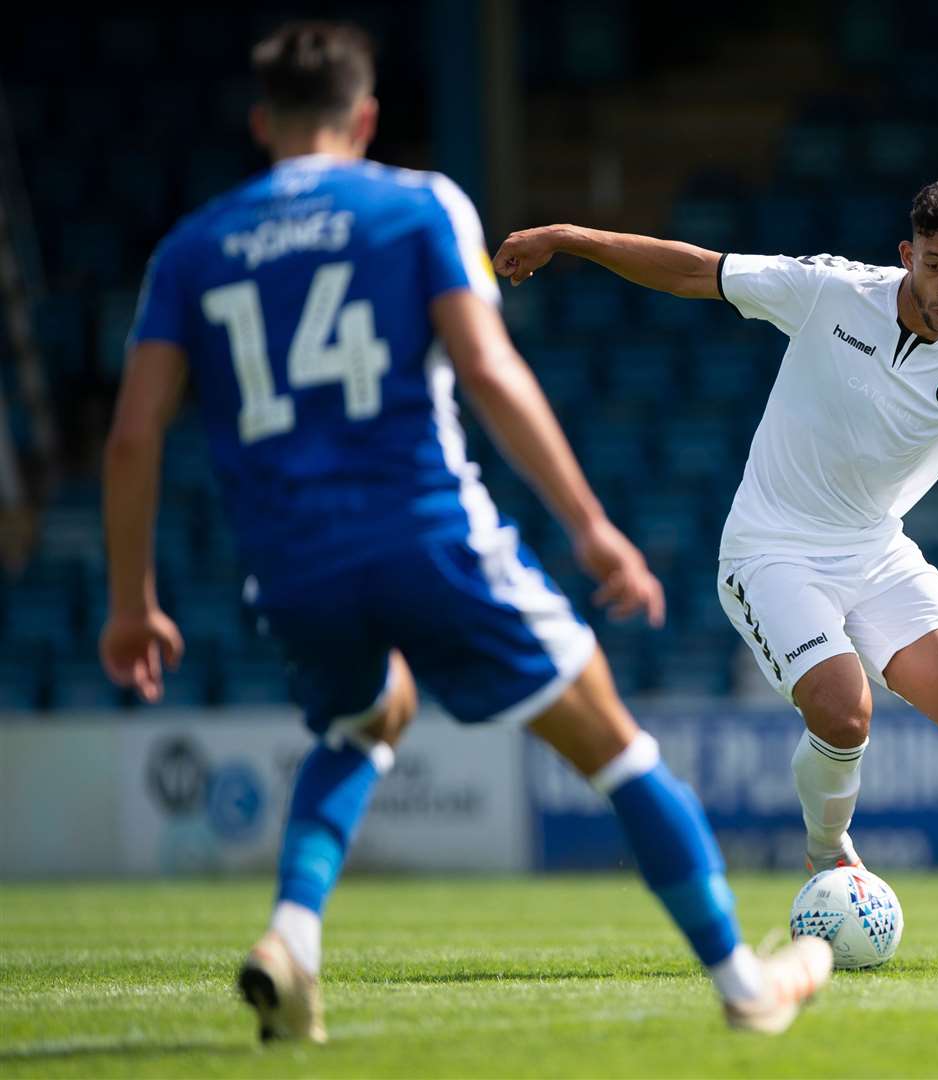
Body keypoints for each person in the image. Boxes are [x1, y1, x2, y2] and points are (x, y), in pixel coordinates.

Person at [99, 21, 828, 1042]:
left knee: (366, 718)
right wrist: (589, 525)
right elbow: (487, 370)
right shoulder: (418, 204)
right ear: (364, 118)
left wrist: (131, 602)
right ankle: (743, 984)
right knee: (616, 750)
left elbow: (132, 439)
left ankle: (293, 941)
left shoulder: (191, 248)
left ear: (262, 124)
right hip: (423, 531)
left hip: (288, 563)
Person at [493, 173, 938, 970]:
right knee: (845, 712)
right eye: (933, 263)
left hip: (875, 550)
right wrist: (570, 236)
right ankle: (827, 851)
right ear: (906, 255)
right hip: (770, 547)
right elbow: (693, 269)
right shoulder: (830, 292)